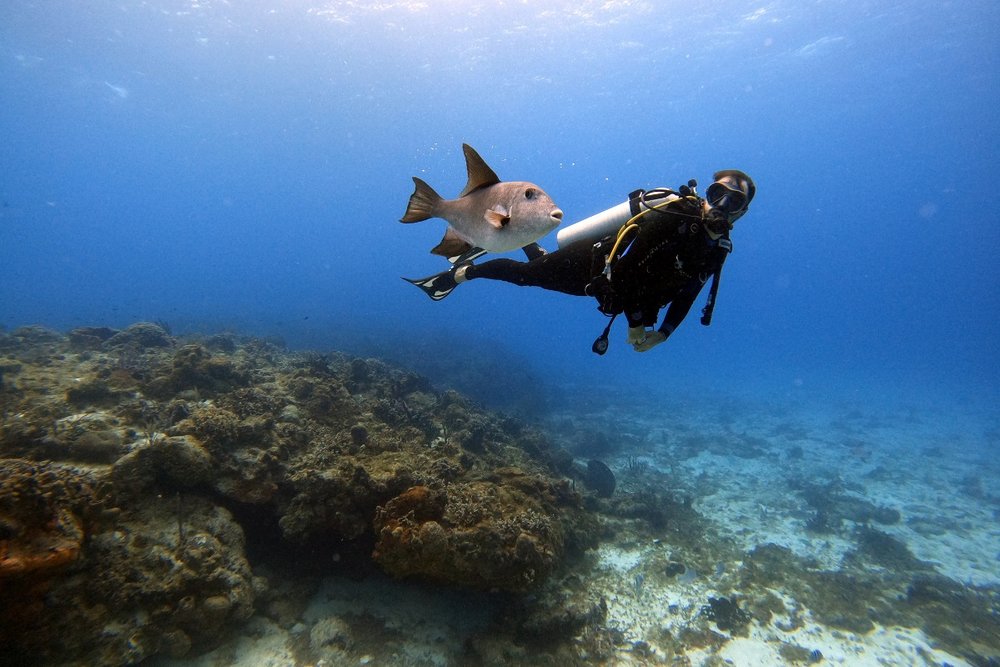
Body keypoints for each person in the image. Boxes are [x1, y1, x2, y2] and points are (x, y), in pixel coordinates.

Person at [405, 170, 755, 354]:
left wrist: (664, 332)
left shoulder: (717, 248)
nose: (721, 206)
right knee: (527, 276)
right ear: (705, 195)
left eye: (733, 202)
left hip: (608, 292)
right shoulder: (673, 216)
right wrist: (636, 324)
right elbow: (630, 272)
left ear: (743, 213)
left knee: (541, 267)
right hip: (589, 264)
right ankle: (463, 273)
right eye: (716, 194)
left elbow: (690, 291)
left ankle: (525, 237)